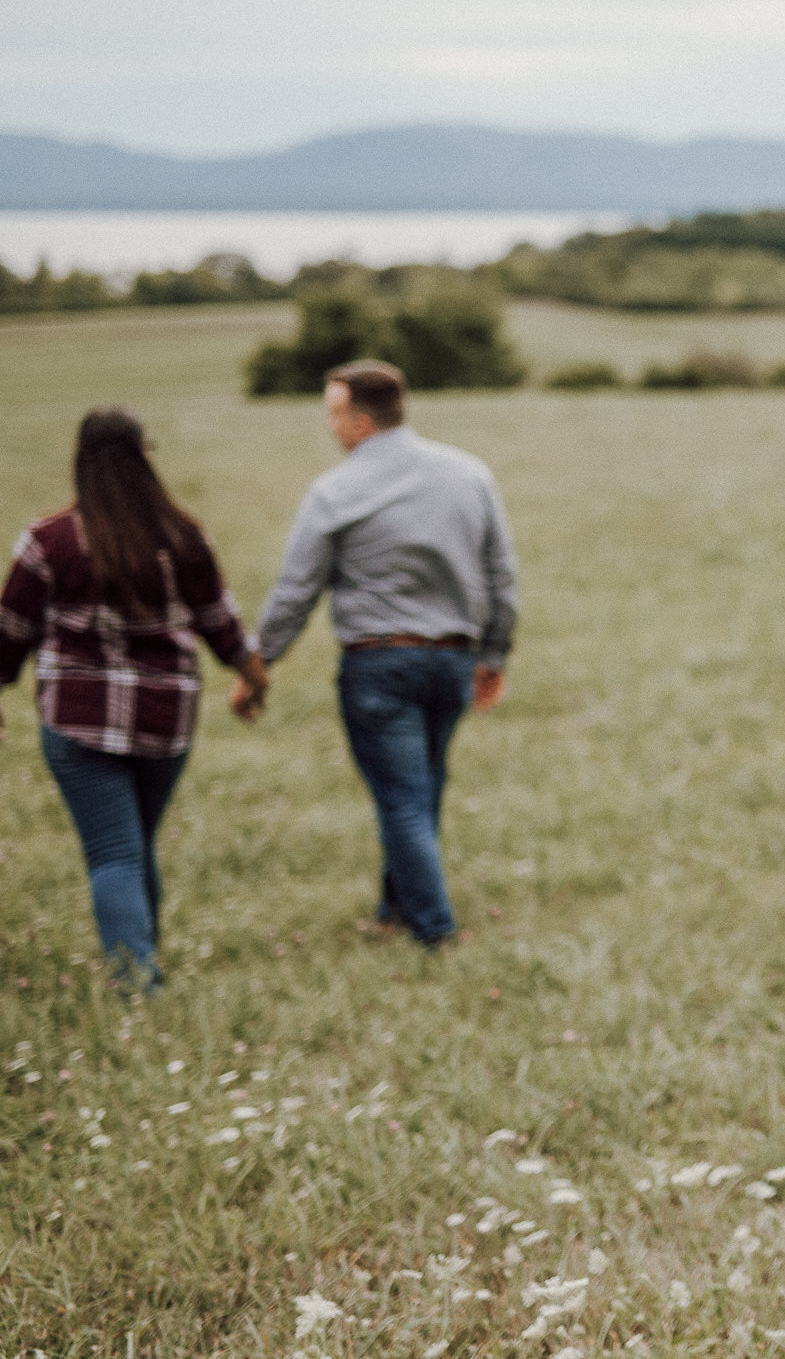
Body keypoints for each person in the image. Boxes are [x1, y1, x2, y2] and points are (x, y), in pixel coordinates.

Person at [251, 359, 518, 948]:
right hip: (452, 660)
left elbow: (297, 590)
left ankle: (435, 932)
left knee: (403, 799)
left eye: (334, 413)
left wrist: (258, 663)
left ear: (362, 421)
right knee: (422, 791)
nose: (331, 426)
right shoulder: (469, 474)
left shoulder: (335, 490)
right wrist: (494, 656)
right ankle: (394, 908)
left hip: (378, 667)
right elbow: (502, 576)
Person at [0, 407, 269, 986]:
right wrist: (253, 675)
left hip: (77, 722)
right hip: (164, 719)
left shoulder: (48, 541)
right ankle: (144, 959)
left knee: (113, 851)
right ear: (146, 457)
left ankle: (136, 979)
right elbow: (220, 623)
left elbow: (10, 631)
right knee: (133, 843)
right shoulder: (181, 535)